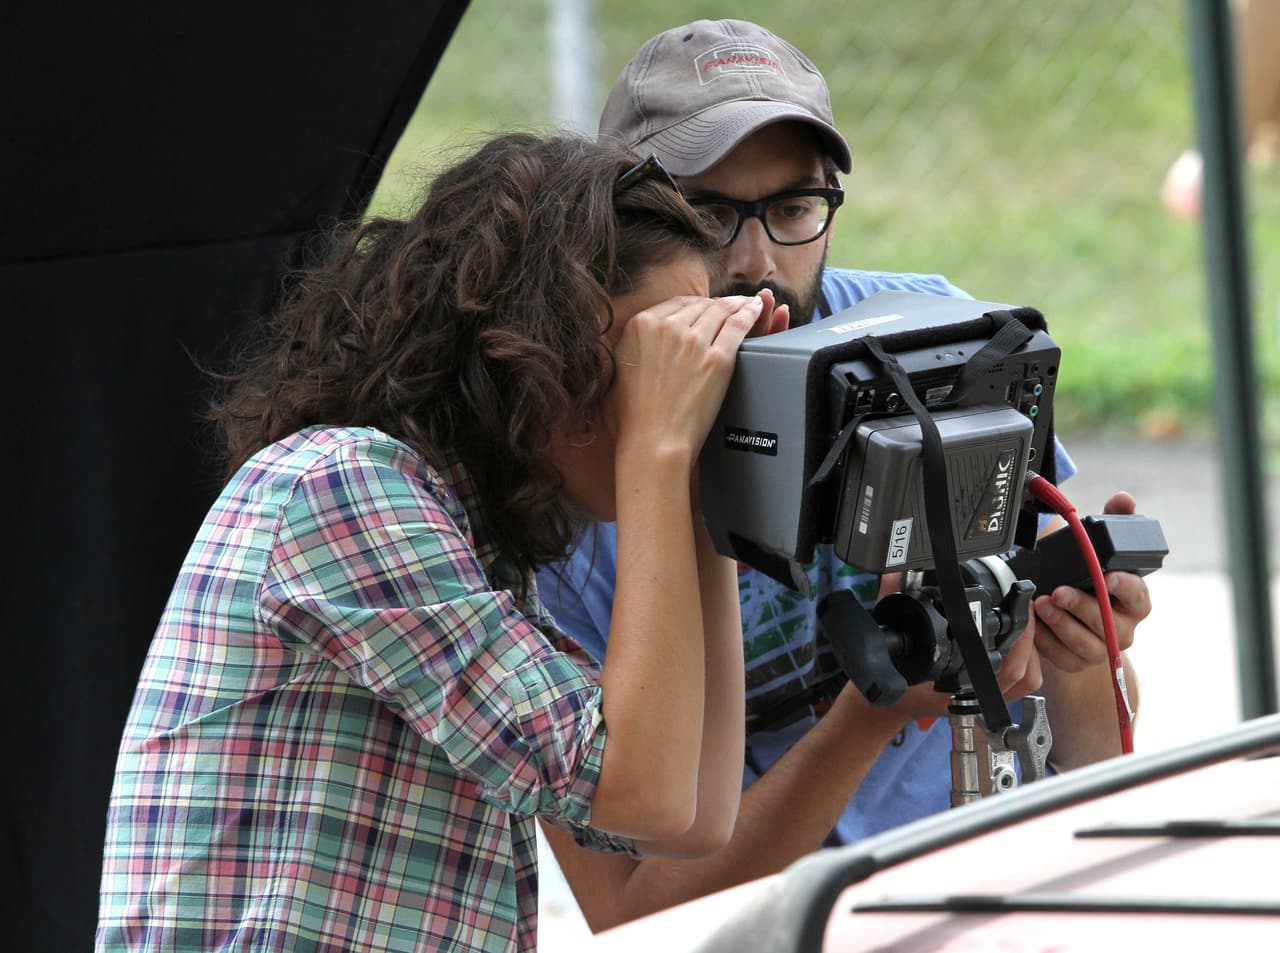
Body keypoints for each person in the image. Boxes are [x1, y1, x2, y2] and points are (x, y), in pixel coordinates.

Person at [93, 132, 786, 952]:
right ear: (532, 349)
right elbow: (643, 792)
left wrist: (710, 479)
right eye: (643, 358)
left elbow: (693, 816)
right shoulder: (339, 486)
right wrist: (660, 449)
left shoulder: (465, 545)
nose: (670, 391)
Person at [536, 19, 1153, 930]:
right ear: (615, 228)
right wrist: (866, 719)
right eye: (707, 215)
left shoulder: (943, 344)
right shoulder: (568, 475)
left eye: (792, 209)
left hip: (986, 886)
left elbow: (1096, 746)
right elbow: (628, 912)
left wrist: (1074, 654)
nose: (754, 263)